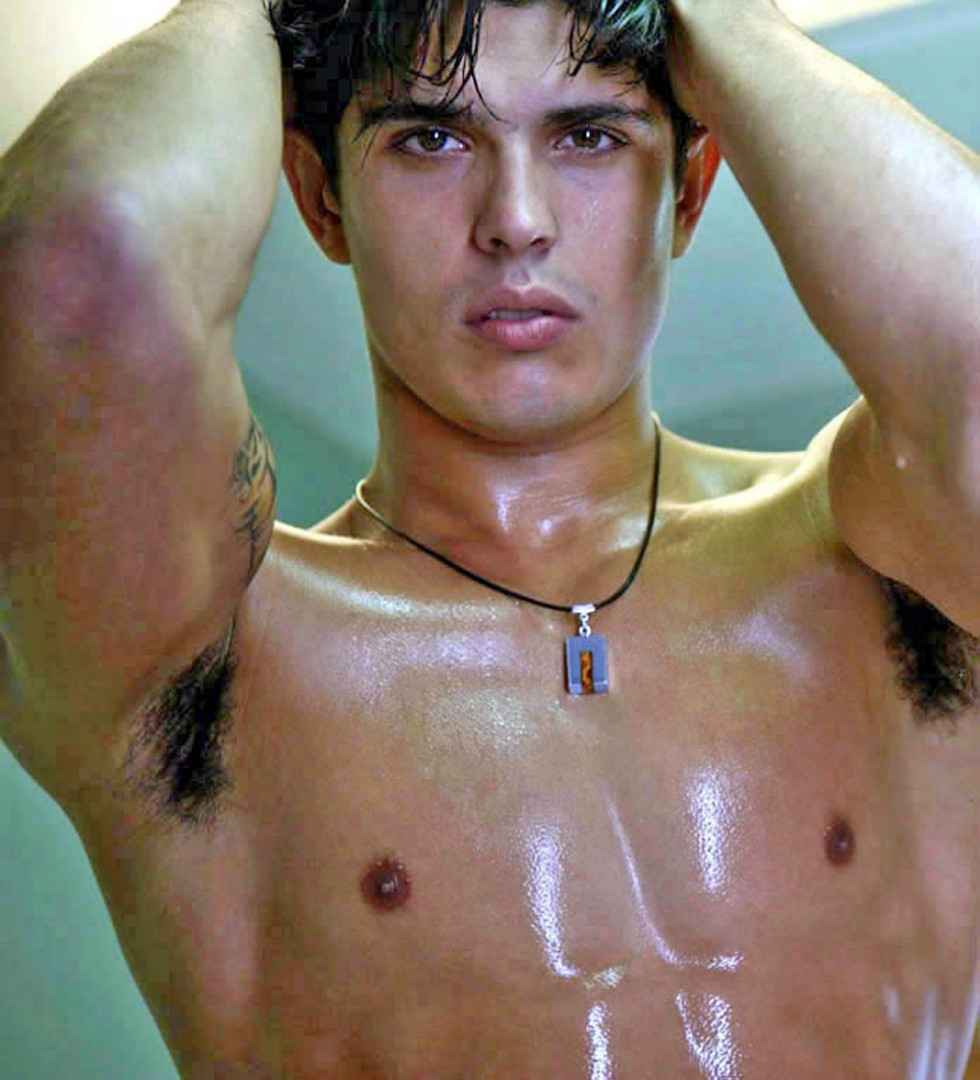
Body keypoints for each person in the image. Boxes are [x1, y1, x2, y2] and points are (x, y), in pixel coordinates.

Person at [1, 0, 977, 1073]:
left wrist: (724, 18)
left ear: (688, 190)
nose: (515, 219)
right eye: (431, 138)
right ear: (322, 198)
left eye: (589, 135)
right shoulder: (217, 653)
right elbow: (78, 270)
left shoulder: (895, 564)